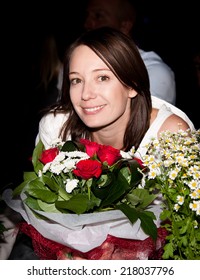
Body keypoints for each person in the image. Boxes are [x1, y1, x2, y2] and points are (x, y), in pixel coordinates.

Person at [1, 27, 195, 260]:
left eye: (102, 77)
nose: (86, 94)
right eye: (76, 80)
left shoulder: (170, 134)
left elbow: (185, 228)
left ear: (132, 84)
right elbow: (44, 208)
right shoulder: (56, 127)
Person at [83, 0, 176, 105]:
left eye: (98, 16)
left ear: (125, 26)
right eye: (86, 15)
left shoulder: (152, 71)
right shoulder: (78, 66)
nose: (88, 24)